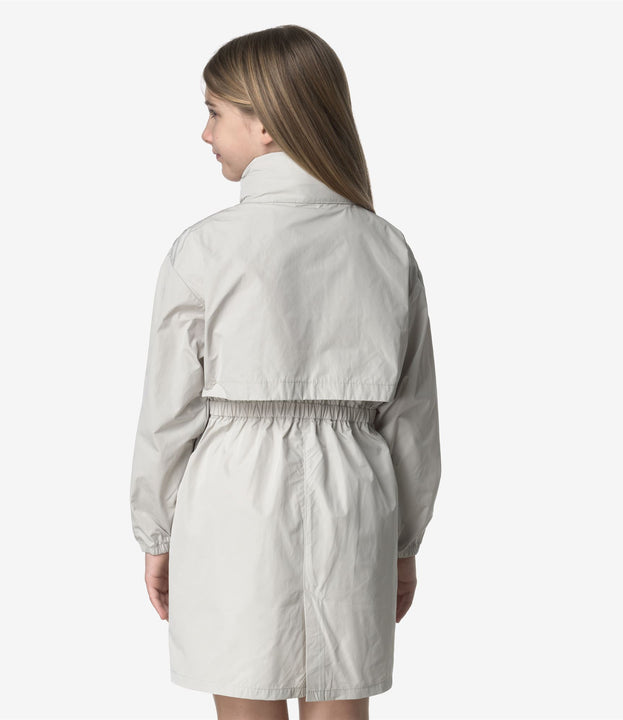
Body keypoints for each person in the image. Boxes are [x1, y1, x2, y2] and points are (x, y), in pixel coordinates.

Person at [129, 24, 442, 720]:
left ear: (265, 124)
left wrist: (157, 534)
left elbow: (168, 415)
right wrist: (403, 545)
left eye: (214, 112)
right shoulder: (387, 248)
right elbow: (413, 420)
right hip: (356, 500)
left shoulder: (203, 249)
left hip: (232, 499)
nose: (205, 134)